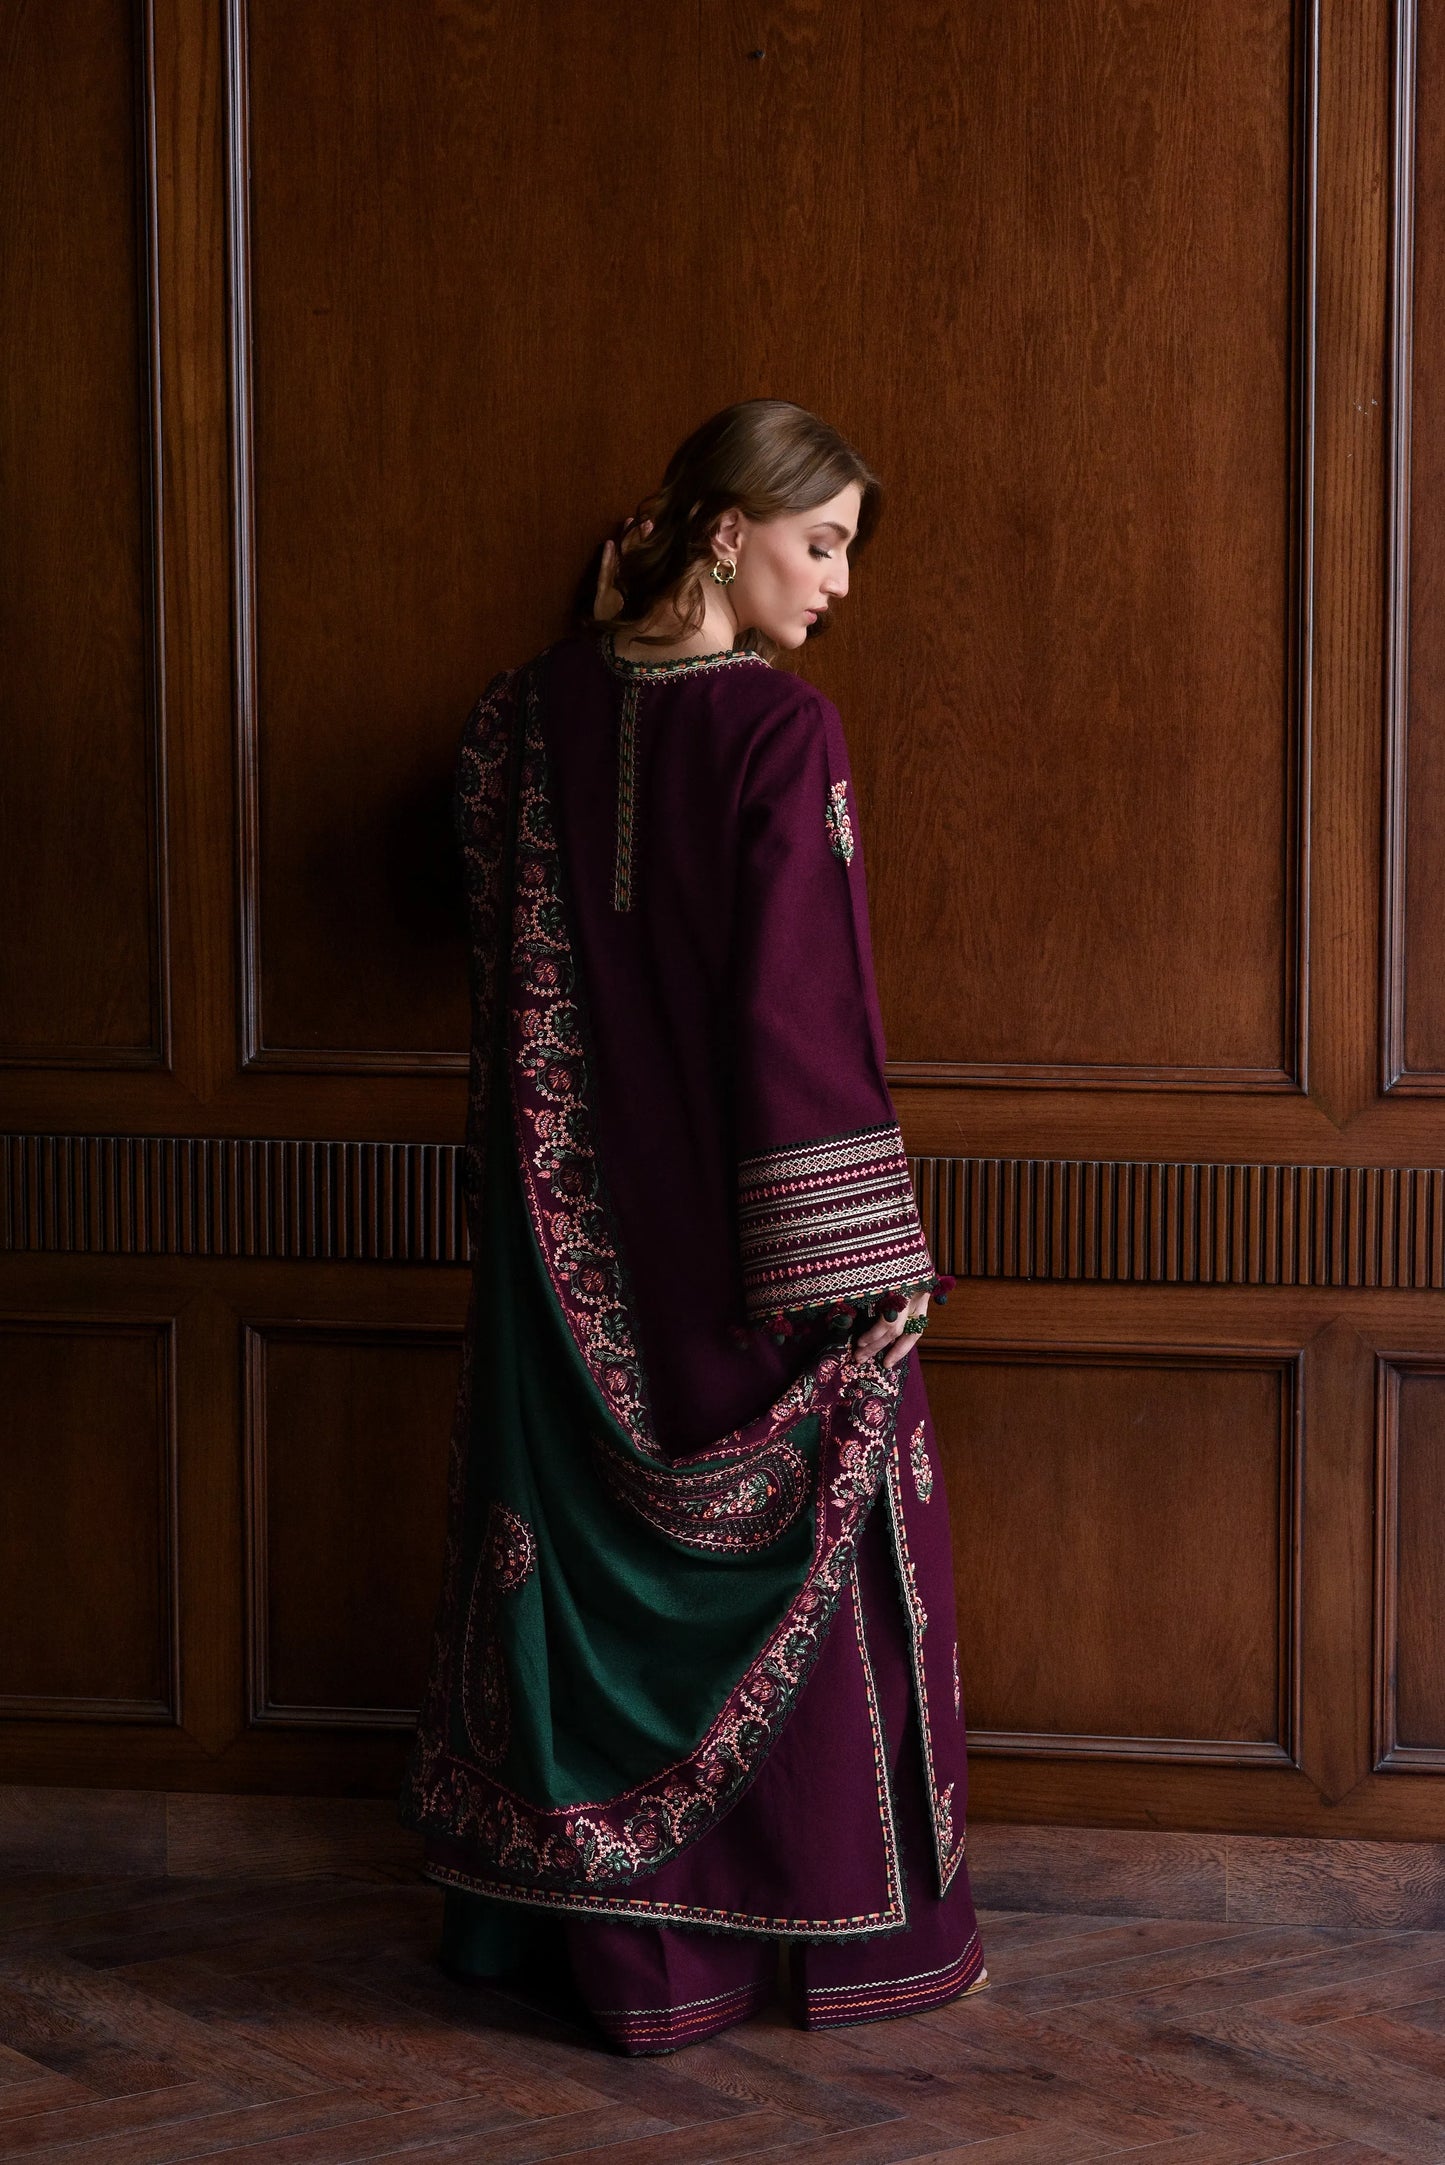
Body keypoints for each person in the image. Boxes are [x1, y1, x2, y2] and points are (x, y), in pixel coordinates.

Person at [399, 399, 986, 2053]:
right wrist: (860, 1269)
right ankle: (791, 1943)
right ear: (726, 531)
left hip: (557, 1248)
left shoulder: (512, 724)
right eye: (824, 542)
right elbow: (801, 1016)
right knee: (819, 1539)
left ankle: (581, 1948)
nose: (842, 584)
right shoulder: (781, 733)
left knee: (569, 1573)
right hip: (741, 1249)